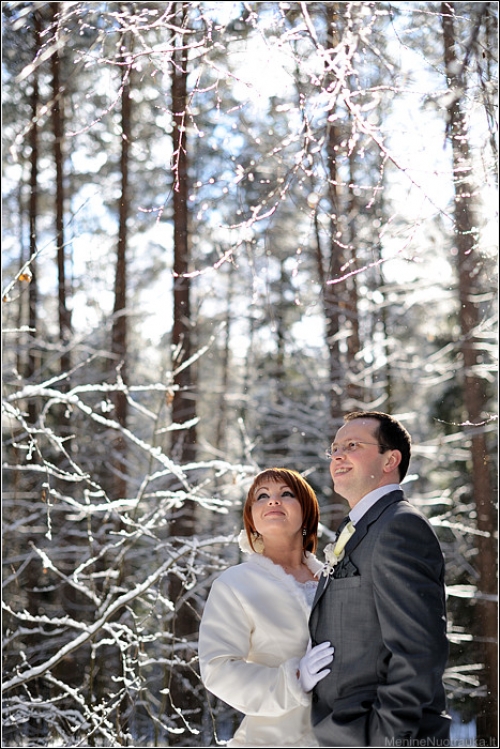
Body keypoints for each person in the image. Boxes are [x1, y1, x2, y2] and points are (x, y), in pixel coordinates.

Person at [309, 411, 451, 747]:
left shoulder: (400, 527)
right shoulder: (361, 528)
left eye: (352, 445)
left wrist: (386, 737)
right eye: (335, 448)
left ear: (391, 459)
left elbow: (419, 651)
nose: (337, 455)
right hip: (339, 733)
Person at [198, 467, 335, 747]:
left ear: (306, 512)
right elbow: (217, 669)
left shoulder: (336, 580)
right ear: (251, 518)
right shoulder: (235, 584)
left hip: (347, 734)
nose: (273, 500)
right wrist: (295, 679)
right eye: (262, 496)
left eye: (286, 494)